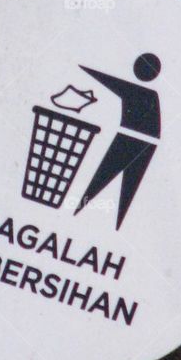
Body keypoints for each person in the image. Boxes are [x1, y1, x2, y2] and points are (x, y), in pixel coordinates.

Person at [74, 54, 161, 229]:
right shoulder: (151, 94)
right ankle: (81, 216)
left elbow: (112, 82)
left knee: (102, 181)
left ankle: (81, 215)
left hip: (131, 139)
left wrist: (87, 70)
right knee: (123, 188)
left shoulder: (144, 93)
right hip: (147, 142)